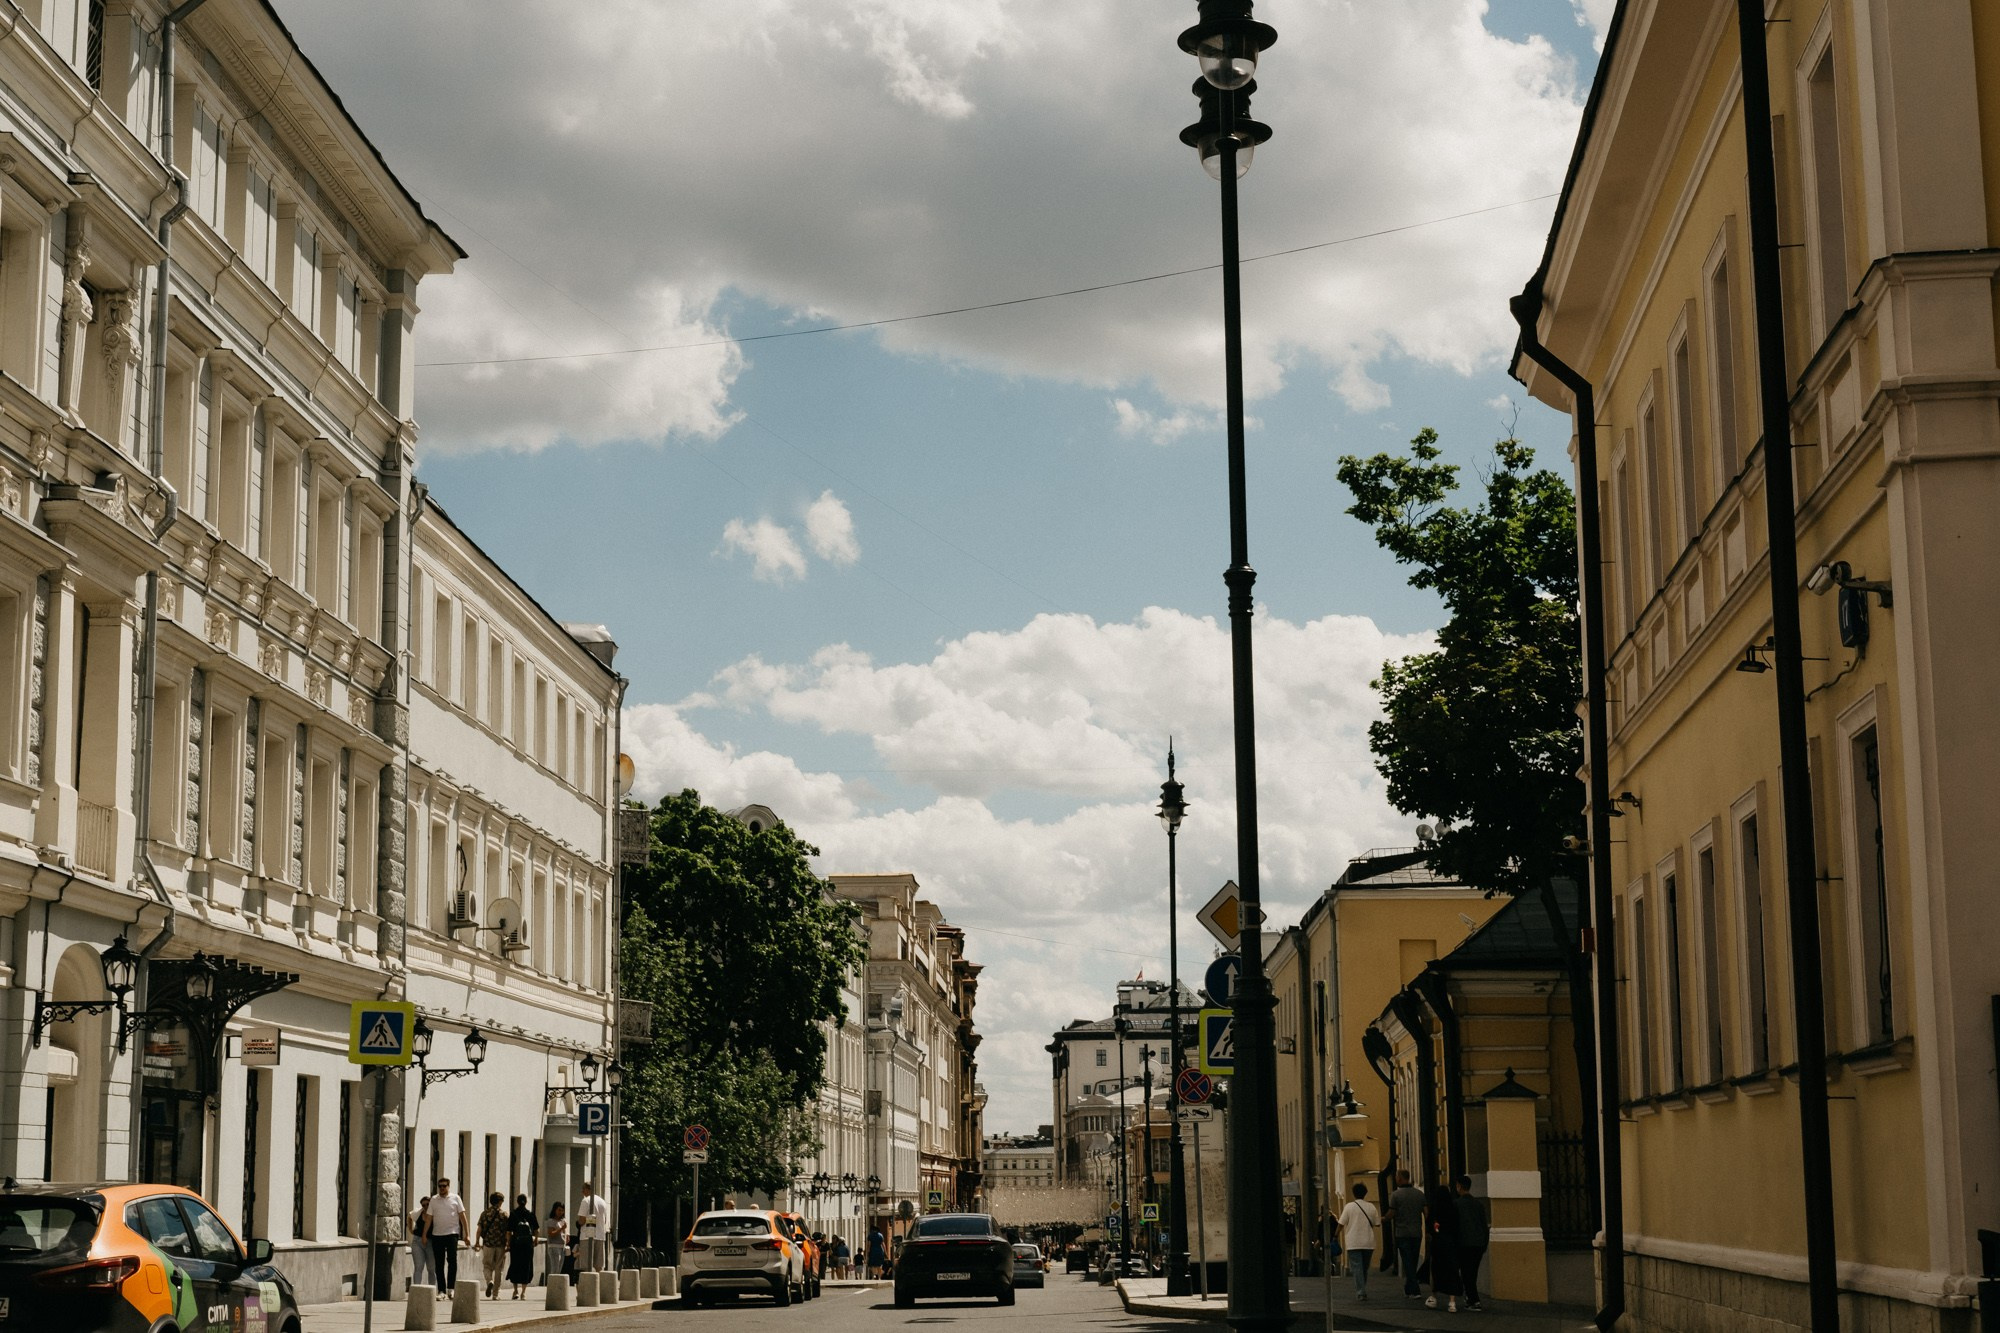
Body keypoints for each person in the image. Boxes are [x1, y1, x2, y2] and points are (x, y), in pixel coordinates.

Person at [1337, 1181, 1381, 1300]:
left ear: (1353, 1193)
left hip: (1353, 1242)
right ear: (1365, 1193)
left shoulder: (1349, 1207)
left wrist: (1335, 1236)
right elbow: (1377, 1223)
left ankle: (1361, 1291)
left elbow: (1341, 1223)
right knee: (1364, 1268)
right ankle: (1362, 1289)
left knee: (1357, 1268)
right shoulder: (1371, 1206)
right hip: (1368, 1242)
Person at [1385, 1170, 1426, 1299]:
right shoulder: (1420, 1194)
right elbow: (1426, 1212)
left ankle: (1415, 1290)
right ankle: (1408, 1289)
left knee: (1407, 1262)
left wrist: (1384, 1219)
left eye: (1396, 1177)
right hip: (1417, 1232)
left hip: (1402, 1233)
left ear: (1400, 1178)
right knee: (1413, 1260)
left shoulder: (1396, 1195)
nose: (1396, 1179)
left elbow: (1391, 1213)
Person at [1453, 1176, 1490, 1312]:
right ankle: (1472, 1298)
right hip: (1478, 1244)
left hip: (1463, 1243)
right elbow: (1484, 1225)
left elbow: (1454, 1225)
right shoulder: (1478, 1204)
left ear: (1459, 1186)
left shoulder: (1456, 1204)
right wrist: (1484, 1243)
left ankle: (1473, 1300)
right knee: (1472, 1272)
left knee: (1466, 1273)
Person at [1424, 1180, 1460, 1313]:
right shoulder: (1453, 1208)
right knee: (1452, 1271)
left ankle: (1434, 1297)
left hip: (1437, 1244)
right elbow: (1457, 1226)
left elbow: (1430, 1226)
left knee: (1436, 1270)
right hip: (1451, 1244)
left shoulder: (1434, 1208)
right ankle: (1452, 1302)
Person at [426, 1178, 467, 1294]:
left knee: (452, 1261)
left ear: (448, 1186)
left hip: (452, 1234)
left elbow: (462, 1216)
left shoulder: (456, 1198)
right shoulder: (434, 1200)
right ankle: (441, 1290)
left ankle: (451, 1288)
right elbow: (429, 1218)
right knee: (439, 1264)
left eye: (444, 1186)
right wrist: (424, 1234)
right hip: (437, 1234)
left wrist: (467, 1234)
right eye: (440, 1186)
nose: (442, 1188)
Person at [506, 1194, 538, 1300]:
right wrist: (536, 1240)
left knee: (515, 1265)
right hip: (528, 1244)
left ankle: (515, 1291)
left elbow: (509, 1231)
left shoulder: (513, 1214)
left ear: (517, 1201)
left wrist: (508, 1243)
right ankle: (523, 1293)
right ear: (526, 1202)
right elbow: (536, 1230)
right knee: (526, 1266)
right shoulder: (530, 1214)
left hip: (516, 1243)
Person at [477, 1192, 508, 1299]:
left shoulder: (484, 1214)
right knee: (499, 1268)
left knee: (487, 1266)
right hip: (500, 1245)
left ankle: (489, 1281)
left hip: (488, 1244)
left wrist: (477, 1242)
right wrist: (508, 1243)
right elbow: (508, 1232)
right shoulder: (504, 1215)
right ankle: (496, 1294)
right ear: (499, 1202)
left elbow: (479, 1229)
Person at [574, 1182, 608, 1273]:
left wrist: (578, 1223)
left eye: (583, 1189)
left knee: (586, 1265)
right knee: (599, 1265)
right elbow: (605, 1220)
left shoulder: (586, 1201)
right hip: (600, 1235)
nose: (582, 1191)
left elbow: (582, 1220)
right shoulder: (602, 1202)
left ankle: (588, 1281)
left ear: (588, 1189)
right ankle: (598, 1281)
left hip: (587, 1235)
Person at [408, 1195, 435, 1290]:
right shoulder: (418, 1213)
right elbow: (409, 1216)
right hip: (417, 1241)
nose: (426, 1206)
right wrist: (410, 1229)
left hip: (431, 1242)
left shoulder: (436, 1214)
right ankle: (417, 1290)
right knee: (418, 1267)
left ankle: (432, 1291)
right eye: (424, 1205)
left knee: (431, 1268)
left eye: (428, 1204)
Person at [543, 1202, 569, 1284]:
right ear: (555, 1210)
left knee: (559, 1269)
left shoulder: (563, 1221)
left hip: (562, 1246)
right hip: (554, 1246)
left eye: (562, 1210)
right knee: (555, 1268)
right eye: (559, 1210)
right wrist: (561, 1229)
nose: (560, 1212)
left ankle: (556, 1286)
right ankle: (552, 1286)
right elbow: (550, 1233)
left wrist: (567, 1236)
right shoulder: (551, 1221)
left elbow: (564, 1232)